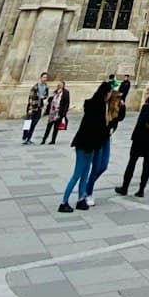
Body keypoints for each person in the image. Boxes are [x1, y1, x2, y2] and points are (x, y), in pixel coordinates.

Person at [59, 82, 111, 213]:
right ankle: (63, 202)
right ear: (106, 93)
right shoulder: (98, 107)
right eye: (110, 93)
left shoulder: (95, 105)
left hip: (89, 145)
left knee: (85, 174)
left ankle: (81, 199)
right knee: (77, 175)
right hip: (85, 145)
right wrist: (107, 132)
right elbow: (97, 128)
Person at [115, 86, 149, 196]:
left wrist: (134, 137)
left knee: (132, 162)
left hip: (141, 138)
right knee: (147, 164)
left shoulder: (146, 106)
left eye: (146, 92)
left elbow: (140, 122)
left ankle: (125, 187)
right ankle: (141, 189)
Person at [85, 88, 125, 202]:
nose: (120, 101)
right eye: (118, 99)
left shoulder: (116, 111)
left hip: (106, 140)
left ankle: (87, 186)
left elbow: (121, 118)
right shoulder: (105, 109)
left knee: (104, 166)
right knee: (96, 167)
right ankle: (88, 193)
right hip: (98, 140)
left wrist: (123, 106)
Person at [23, 72, 49, 144]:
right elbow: (31, 98)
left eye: (46, 77)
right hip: (32, 107)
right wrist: (30, 108)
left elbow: (46, 96)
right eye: (44, 77)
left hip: (39, 108)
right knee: (27, 123)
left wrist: (44, 97)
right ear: (41, 78)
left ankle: (29, 138)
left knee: (34, 123)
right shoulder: (35, 87)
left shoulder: (46, 87)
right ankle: (25, 136)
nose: (45, 79)